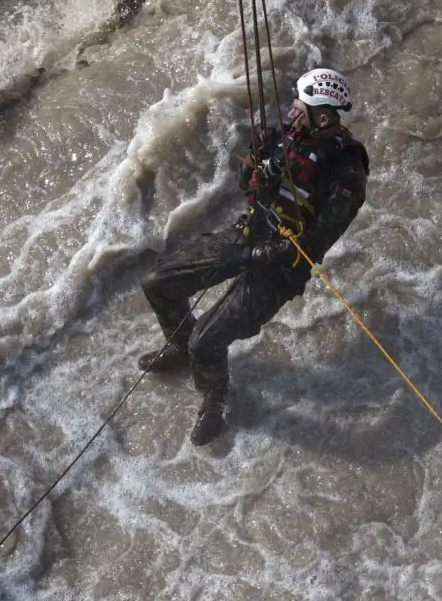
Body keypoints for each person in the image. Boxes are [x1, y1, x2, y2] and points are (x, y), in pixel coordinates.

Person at [138, 68, 370, 445]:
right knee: (158, 283)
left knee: (207, 340)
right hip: (249, 233)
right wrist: (259, 167)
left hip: (282, 266)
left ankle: (216, 397)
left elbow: (317, 240)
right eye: (294, 107)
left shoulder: (347, 170)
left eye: (300, 109)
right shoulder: (288, 139)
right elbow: (248, 184)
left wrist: (264, 254)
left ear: (324, 117)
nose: (291, 115)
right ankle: (179, 345)